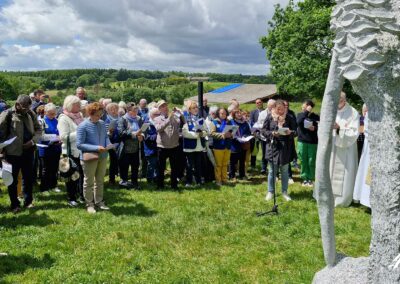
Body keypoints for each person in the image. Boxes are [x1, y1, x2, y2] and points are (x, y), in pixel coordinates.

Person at [0, 95, 42, 212]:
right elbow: (0, 133)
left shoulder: (31, 113)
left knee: (28, 178)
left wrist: (33, 141)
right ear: (17, 104)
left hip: (28, 152)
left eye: (28, 108)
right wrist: (2, 150)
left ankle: (28, 202)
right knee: (12, 180)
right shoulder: (7, 114)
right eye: (24, 108)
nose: (26, 110)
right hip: (12, 153)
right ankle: (15, 205)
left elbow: (39, 129)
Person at [77, 102, 111, 214]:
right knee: (89, 181)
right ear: (90, 114)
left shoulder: (101, 123)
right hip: (90, 158)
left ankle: (99, 201)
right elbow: (79, 144)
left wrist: (109, 144)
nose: (99, 117)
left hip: (103, 156)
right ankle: (89, 204)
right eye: (97, 115)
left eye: (100, 114)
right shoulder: (83, 126)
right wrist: (96, 147)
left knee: (100, 180)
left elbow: (106, 137)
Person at [262, 100, 297, 202]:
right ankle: (271, 192)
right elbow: (263, 130)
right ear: (274, 108)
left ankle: (284, 192)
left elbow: (295, 131)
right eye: (278, 109)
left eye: (282, 109)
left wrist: (290, 133)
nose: (280, 111)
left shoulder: (289, 117)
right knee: (272, 171)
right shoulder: (269, 117)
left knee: (285, 171)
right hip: (273, 146)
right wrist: (272, 133)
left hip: (285, 147)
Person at [329, 92, 360, 207]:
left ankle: (342, 199)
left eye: (341, 99)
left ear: (344, 99)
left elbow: (354, 132)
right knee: (330, 169)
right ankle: (328, 196)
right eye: (337, 99)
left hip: (346, 149)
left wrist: (339, 128)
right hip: (332, 147)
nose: (339, 101)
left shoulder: (353, 112)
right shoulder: (330, 110)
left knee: (345, 172)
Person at [58, 95, 84, 206]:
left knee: (80, 174)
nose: (79, 106)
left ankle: (80, 195)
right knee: (71, 175)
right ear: (70, 105)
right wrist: (79, 132)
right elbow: (63, 137)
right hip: (69, 152)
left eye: (79, 104)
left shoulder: (80, 116)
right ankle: (71, 198)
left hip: (80, 150)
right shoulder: (63, 118)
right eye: (77, 104)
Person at [153, 100, 185, 190]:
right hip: (162, 147)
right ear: (159, 109)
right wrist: (168, 120)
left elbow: (184, 123)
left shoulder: (174, 117)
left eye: (166, 105)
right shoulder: (157, 118)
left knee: (174, 167)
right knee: (161, 167)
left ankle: (174, 185)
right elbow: (158, 129)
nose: (165, 107)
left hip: (174, 146)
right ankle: (160, 185)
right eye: (162, 106)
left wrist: (180, 113)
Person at [117, 103, 143, 190]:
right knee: (124, 166)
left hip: (136, 147)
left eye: (137, 110)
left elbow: (142, 130)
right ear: (128, 111)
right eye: (134, 110)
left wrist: (142, 136)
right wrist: (134, 134)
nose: (136, 112)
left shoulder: (139, 119)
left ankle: (134, 182)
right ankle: (124, 182)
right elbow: (121, 133)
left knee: (135, 166)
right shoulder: (123, 119)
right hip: (125, 148)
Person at [38, 103, 62, 194]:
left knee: (54, 168)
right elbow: (42, 136)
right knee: (45, 169)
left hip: (56, 148)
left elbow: (60, 133)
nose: (52, 115)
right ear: (45, 112)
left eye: (54, 113)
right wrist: (55, 137)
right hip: (45, 149)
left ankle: (53, 185)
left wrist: (60, 138)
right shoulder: (42, 121)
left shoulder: (57, 121)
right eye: (50, 113)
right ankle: (44, 187)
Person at [182, 101, 207, 186]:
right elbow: (185, 133)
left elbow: (206, 131)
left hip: (199, 146)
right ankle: (189, 181)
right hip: (189, 146)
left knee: (198, 165)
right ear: (189, 109)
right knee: (189, 165)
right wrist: (196, 135)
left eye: (196, 107)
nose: (196, 109)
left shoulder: (200, 118)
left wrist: (202, 133)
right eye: (193, 108)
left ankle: (198, 181)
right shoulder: (185, 119)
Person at [296, 99, 320, 187]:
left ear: (310, 107)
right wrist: (306, 112)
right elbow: (298, 122)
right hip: (302, 141)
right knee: (303, 160)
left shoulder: (316, 117)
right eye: (303, 106)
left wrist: (315, 128)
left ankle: (311, 178)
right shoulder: (300, 115)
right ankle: (304, 178)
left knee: (311, 160)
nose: (303, 107)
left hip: (312, 142)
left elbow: (320, 127)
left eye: (305, 106)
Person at [353, 104, 370, 207]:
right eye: (365, 111)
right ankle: (364, 198)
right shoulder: (362, 118)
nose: (365, 113)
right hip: (365, 147)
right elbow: (361, 130)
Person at [210, 108, 233, 185]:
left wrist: (231, 134)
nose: (223, 115)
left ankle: (224, 179)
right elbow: (212, 134)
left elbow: (232, 132)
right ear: (218, 114)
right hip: (218, 146)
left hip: (228, 146)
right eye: (221, 113)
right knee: (218, 165)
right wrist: (223, 135)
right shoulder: (214, 122)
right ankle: (218, 180)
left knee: (225, 164)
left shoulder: (229, 122)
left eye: (224, 113)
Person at [254, 99, 276, 174]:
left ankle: (273, 168)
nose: (273, 107)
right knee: (264, 153)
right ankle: (264, 168)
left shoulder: (276, 113)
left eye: (274, 105)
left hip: (273, 136)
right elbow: (258, 123)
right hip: (264, 137)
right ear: (268, 105)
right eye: (272, 106)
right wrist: (263, 126)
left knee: (274, 153)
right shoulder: (262, 113)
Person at [229, 109, 251, 180]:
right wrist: (236, 138)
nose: (239, 114)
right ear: (234, 114)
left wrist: (245, 137)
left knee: (242, 160)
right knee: (233, 162)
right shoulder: (231, 122)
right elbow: (229, 132)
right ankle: (232, 176)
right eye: (237, 113)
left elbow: (248, 132)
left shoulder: (245, 123)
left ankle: (242, 175)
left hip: (243, 144)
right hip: (234, 144)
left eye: (240, 113)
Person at [104, 102, 120, 185]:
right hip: (112, 143)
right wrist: (110, 132)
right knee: (113, 161)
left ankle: (121, 177)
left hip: (120, 142)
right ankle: (111, 179)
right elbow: (107, 133)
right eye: (112, 109)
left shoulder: (120, 118)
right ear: (108, 111)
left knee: (120, 160)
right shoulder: (107, 119)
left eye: (116, 109)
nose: (114, 111)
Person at [143, 108, 160, 183]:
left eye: (158, 114)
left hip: (158, 147)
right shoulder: (146, 123)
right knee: (151, 164)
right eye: (155, 114)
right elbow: (143, 134)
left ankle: (156, 178)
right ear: (150, 115)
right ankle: (149, 178)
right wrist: (152, 136)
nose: (157, 116)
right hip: (149, 147)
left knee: (158, 163)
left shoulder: (159, 122)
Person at [250, 99, 264, 170]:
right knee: (254, 149)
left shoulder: (265, 111)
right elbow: (251, 122)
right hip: (256, 133)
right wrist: (256, 129)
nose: (258, 103)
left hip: (264, 133)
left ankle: (264, 166)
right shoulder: (253, 112)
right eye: (257, 103)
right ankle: (253, 165)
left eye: (259, 102)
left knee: (264, 150)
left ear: (262, 103)